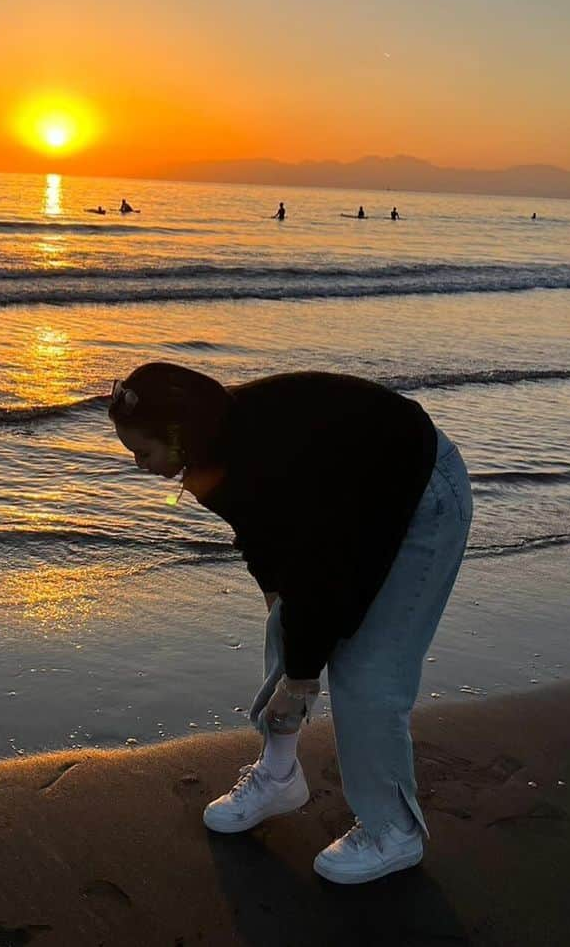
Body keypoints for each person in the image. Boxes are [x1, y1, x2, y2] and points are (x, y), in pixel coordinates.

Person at [108, 362, 471, 885]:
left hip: (418, 493)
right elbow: (262, 537)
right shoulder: (208, 460)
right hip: (346, 504)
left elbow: (331, 568)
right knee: (287, 622)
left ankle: (395, 832)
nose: (139, 466)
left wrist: (301, 680)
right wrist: (280, 607)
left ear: (178, 435)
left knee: (368, 675)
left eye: (143, 453)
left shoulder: (264, 455)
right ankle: (278, 776)